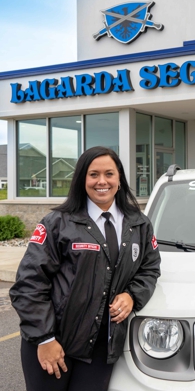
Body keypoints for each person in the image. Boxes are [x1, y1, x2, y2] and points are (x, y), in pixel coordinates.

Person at [9, 146, 161, 391]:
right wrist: (44, 338)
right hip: (55, 341)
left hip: (101, 347)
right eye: (93, 174)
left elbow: (150, 268)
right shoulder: (57, 223)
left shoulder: (139, 224)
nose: (102, 181)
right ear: (82, 179)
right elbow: (29, 284)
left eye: (109, 174)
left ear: (119, 179)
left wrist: (132, 295)